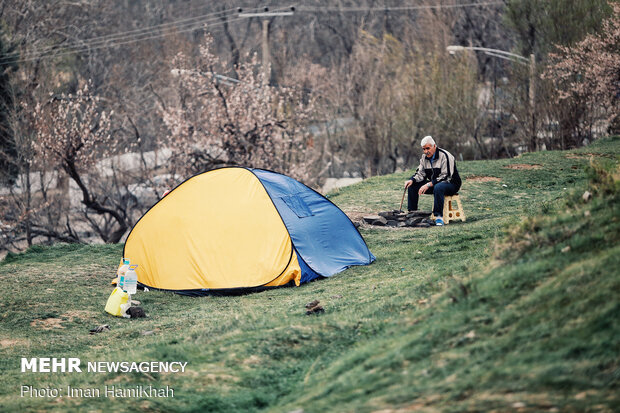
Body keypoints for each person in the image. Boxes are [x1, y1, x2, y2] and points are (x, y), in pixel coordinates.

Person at [404, 136, 461, 226]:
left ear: (434, 146)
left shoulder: (445, 155)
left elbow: (446, 176)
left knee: (438, 187)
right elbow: (420, 174)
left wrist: (428, 184)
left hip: (451, 184)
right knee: (412, 185)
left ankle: (438, 217)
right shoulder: (424, 158)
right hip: (435, 184)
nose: (426, 151)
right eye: (424, 149)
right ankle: (412, 213)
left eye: (428, 148)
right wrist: (412, 180)